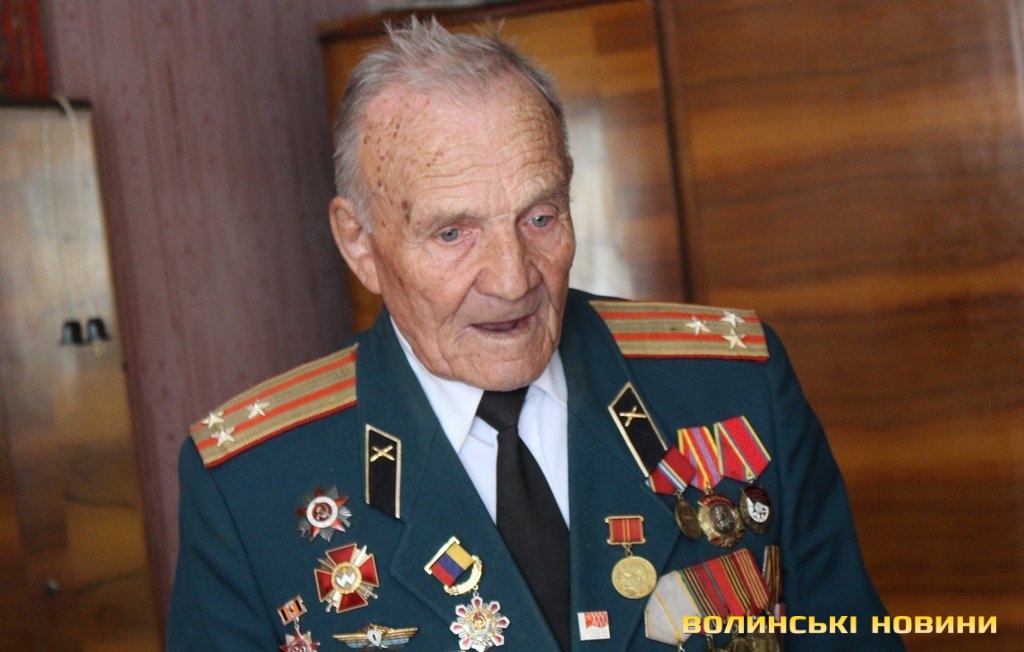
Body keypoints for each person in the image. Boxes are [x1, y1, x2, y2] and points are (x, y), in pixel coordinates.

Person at [167, 17, 905, 652]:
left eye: (540, 217)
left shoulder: (735, 384)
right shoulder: (250, 485)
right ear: (358, 242)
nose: (513, 277)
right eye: (453, 233)